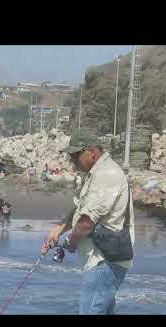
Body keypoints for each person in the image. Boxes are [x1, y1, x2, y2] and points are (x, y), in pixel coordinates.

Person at [41, 129, 135, 315]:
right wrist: (57, 231)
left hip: (105, 260)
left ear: (92, 152)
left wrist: (71, 242)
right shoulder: (92, 174)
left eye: (76, 156)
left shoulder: (107, 174)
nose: (73, 161)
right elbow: (79, 210)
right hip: (99, 260)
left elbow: (87, 221)